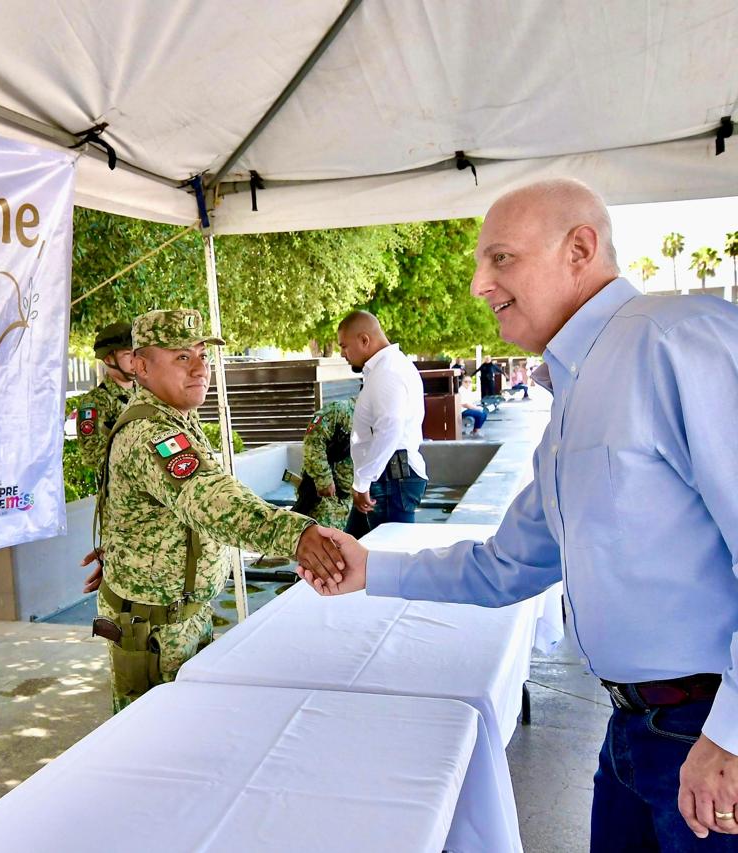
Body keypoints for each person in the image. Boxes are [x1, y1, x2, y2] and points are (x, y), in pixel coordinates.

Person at [302, 177, 738, 850]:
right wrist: (369, 568)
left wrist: (731, 737)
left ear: (580, 249)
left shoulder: (675, 341)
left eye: (500, 257)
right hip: (632, 731)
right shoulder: (579, 390)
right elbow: (505, 566)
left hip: (710, 737)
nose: (479, 282)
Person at [80, 308, 343, 713]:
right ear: (141, 366)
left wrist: (124, 551)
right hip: (155, 632)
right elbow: (214, 502)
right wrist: (297, 535)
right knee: (154, 748)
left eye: (202, 354)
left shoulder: (178, 416)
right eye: (182, 357)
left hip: (179, 617)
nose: (201, 367)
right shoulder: (154, 433)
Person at [336, 311, 428, 538]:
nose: (342, 354)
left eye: (344, 346)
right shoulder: (387, 368)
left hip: (389, 480)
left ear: (364, 340)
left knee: (389, 558)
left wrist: (363, 482)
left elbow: (390, 430)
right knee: (350, 553)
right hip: (388, 478)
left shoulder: (387, 372)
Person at [70, 322, 136, 471]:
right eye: (127, 354)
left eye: (136, 353)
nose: (134, 360)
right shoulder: (95, 402)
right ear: (108, 359)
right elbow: (91, 454)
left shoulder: (146, 394)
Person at [291, 399, 354, 529]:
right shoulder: (340, 410)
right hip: (325, 498)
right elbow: (312, 442)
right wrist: (324, 479)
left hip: (348, 501)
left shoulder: (376, 419)